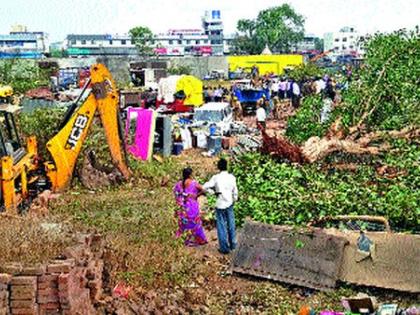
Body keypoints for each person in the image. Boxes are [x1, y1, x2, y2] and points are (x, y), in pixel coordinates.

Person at [203, 158, 238, 254]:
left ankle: (224, 248)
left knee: (221, 226)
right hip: (229, 203)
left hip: (220, 204)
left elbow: (204, 186)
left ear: (218, 167)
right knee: (231, 224)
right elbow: (235, 191)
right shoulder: (232, 177)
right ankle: (233, 244)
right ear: (226, 166)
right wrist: (234, 199)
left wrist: (213, 192)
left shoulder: (216, 178)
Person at [173, 168, 208, 247]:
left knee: (182, 223)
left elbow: (175, 193)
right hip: (192, 206)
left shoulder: (178, 184)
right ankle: (200, 239)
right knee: (195, 223)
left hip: (182, 207)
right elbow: (204, 190)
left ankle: (182, 239)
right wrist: (196, 195)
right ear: (190, 175)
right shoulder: (194, 183)